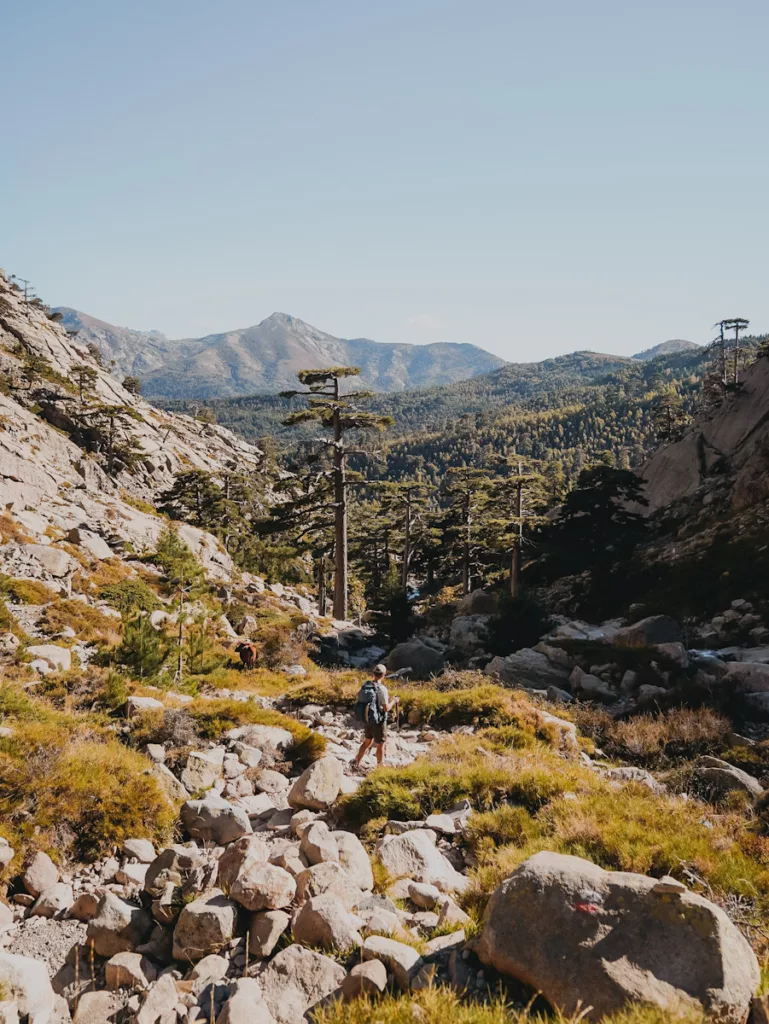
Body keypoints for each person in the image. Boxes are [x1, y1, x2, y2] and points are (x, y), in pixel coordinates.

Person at [352, 663, 400, 771]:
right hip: (379, 720)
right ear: (383, 674)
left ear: (373, 673)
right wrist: (394, 701)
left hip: (367, 718)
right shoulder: (382, 689)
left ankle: (356, 762)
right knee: (381, 743)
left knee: (367, 741)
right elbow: (386, 708)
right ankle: (380, 766)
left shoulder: (366, 685)